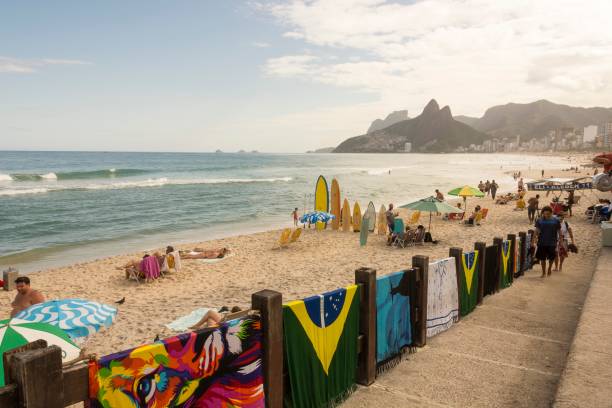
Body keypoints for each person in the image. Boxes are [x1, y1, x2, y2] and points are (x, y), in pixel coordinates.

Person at [533, 206, 561, 278]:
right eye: (545, 214)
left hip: (552, 242)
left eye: (548, 214)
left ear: (551, 213)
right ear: (543, 213)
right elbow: (536, 230)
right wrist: (534, 239)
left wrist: (560, 240)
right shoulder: (539, 220)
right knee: (542, 258)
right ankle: (543, 272)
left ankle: (549, 268)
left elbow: (559, 231)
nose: (546, 215)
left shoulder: (556, 220)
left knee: (551, 258)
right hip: (542, 242)